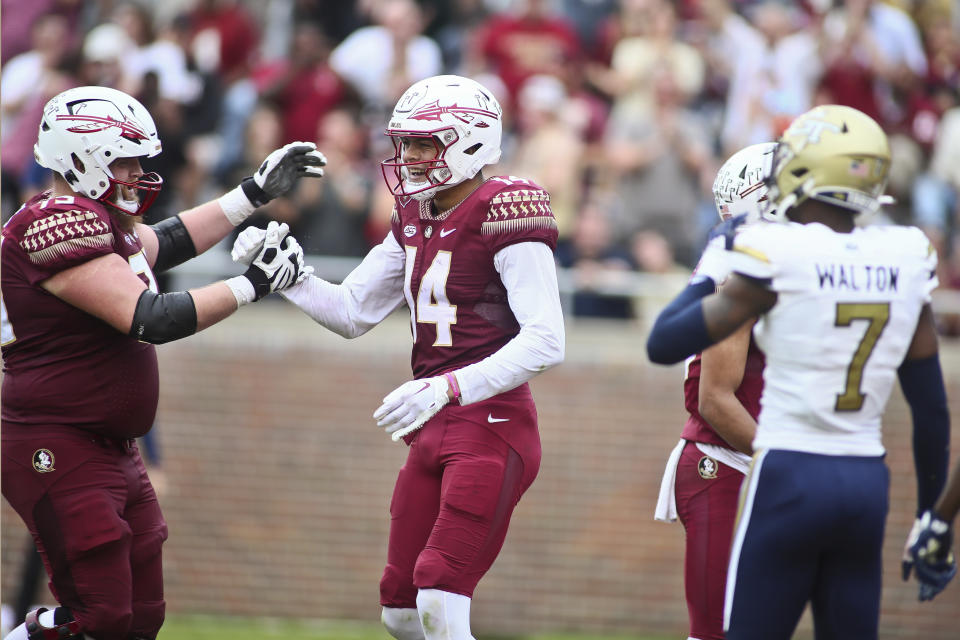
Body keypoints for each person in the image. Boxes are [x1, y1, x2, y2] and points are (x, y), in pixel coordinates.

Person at [233, 74, 565, 640]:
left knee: (438, 590)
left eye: (423, 143)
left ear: (471, 142)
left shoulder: (506, 206)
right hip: (432, 424)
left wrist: (448, 387)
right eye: (404, 143)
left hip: (492, 425)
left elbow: (546, 339)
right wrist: (284, 276)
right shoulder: (415, 215)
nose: (408, 157)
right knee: (400, 611)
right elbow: (352, 312)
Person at [0, 85, 324, 640]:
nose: (136, 173)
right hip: (57, 440)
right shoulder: (53, 222)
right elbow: (153, 316)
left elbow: (167, 243)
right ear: (81, 157)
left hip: (110, 446)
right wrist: (253, 284)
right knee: (100, 617)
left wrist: (252, 193)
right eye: (124, 161)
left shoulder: (97, 219)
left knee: (142, 618)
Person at [646, 104, 950, 638]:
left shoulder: (773, 254)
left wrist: (720, 253)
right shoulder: (905, 253)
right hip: (865, 480)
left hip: (789, 471)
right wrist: (934, 516)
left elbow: (663, 342)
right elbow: (932, 409)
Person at [654, 142, 775, 640]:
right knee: (718, 632)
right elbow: (715, 398)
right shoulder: (740, 273)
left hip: (753, 460)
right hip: (724, 462)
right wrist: (789, 458)